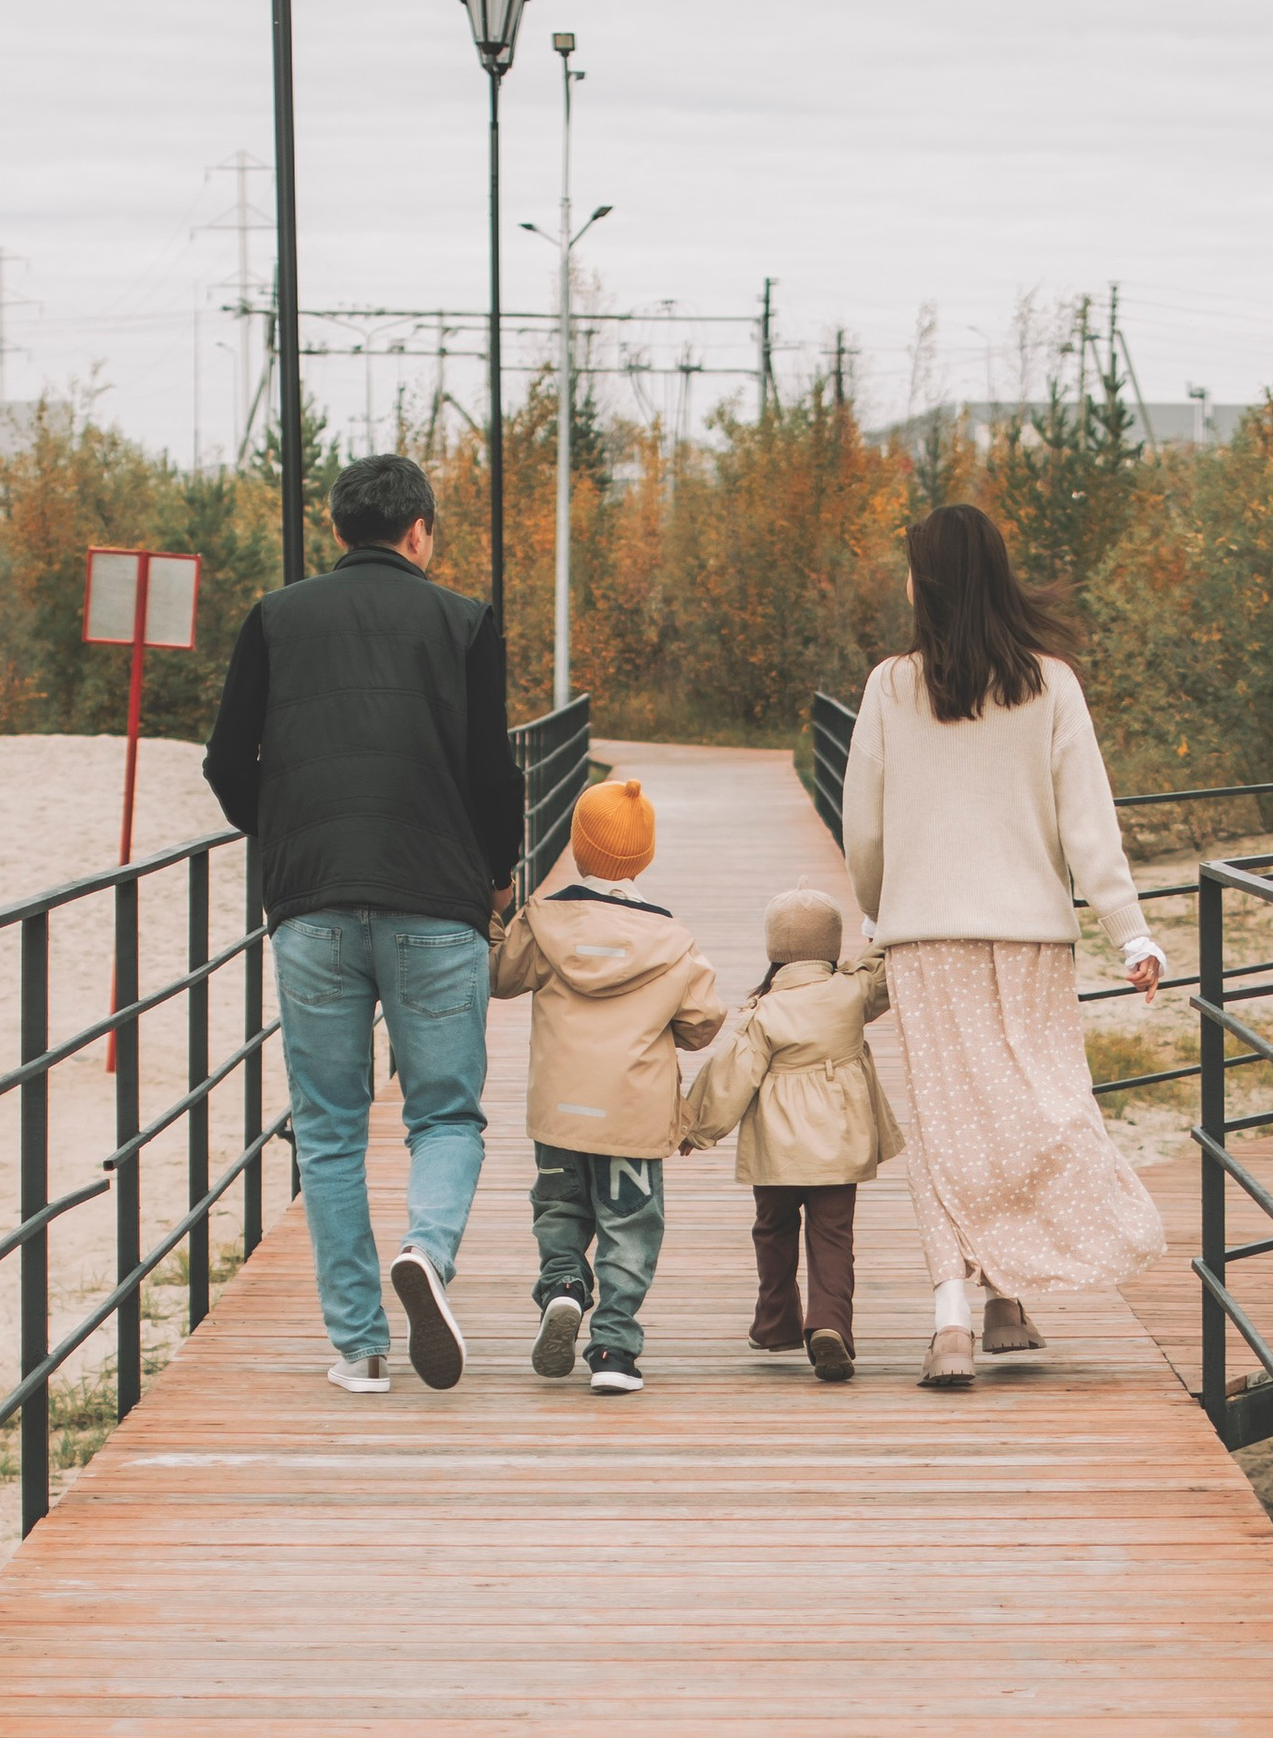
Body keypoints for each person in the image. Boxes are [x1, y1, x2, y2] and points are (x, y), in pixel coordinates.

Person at [203, 450, 525, 1397]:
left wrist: (293, 828)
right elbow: (492, 772)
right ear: (419, 532)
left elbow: (227, 760)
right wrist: (497, 876)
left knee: (332, 1129)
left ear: (337, 530)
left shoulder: (276, 617)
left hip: (313, 904)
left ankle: (360, 1346)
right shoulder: (463, 621)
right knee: (445, 1113)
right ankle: (426, 1251)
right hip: (437, 900)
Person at [841, 501, 1168, 1390]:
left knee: (951, 1125)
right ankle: (1005, 1294)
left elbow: (862, 829)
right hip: (1029, 938)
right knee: (1038, 1107)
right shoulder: (1049, 684)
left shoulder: (889, 687)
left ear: (933, 582)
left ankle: (960, 1312)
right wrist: (1129, 930)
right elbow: (1088, 825)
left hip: (927, 940)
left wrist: (880, 907)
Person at [490, 774, 723, 1396]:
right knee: (631, 1226)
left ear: (576, 845)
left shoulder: (544, 921)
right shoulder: (674, 943)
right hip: (634, 1118)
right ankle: (615, 1347)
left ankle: (564, 1285)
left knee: (559, 1208)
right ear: (644, 855)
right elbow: (701, 1026)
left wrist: (493, 916)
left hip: (559, 1111)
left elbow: (500, 976)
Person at [679, 887, 900, 1385]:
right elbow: (883, 967)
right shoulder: (851, 993)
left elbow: (730, 1073)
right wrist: (886, 928)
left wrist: (696, 1126)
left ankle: (776, 1321)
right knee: (833, 1236)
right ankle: (828, 1324)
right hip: (840, 1140)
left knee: (773, 1230)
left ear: (773, 950)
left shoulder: (765, 1011)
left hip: (776, 1149)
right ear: (831, 945)